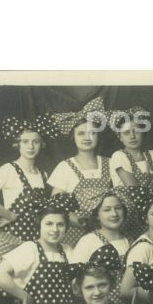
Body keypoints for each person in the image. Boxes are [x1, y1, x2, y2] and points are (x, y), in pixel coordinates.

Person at [0, 113, 60, 243]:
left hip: (38, 237)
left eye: (35, 142)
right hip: (15, 237)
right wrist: (9, 215)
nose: (31, 147)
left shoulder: (43, 175)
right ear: (17, 144)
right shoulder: (9, 169)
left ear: (42, 144)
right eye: (25, 141)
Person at [49, 97, 112, 246]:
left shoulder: (110, 163)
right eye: (81, 133)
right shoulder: (64, 167)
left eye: (92, 133)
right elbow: (56, 206)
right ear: (73, 137)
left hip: (107, 230)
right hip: (75, 233)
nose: (87, 138)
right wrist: (79, 221)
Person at [109, 107, 153, 239]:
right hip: (130, 215)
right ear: (120, 137)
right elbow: (135, 190)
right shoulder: (119, 156)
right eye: (126, 133)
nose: (132, 136)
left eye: (137, 132)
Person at [72, 190, 131, 304]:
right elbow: (75, 282)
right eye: (107, 210)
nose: (114, 214)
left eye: (118, 208)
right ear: (97, 215)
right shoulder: (88, 241)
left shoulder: (130, 240)